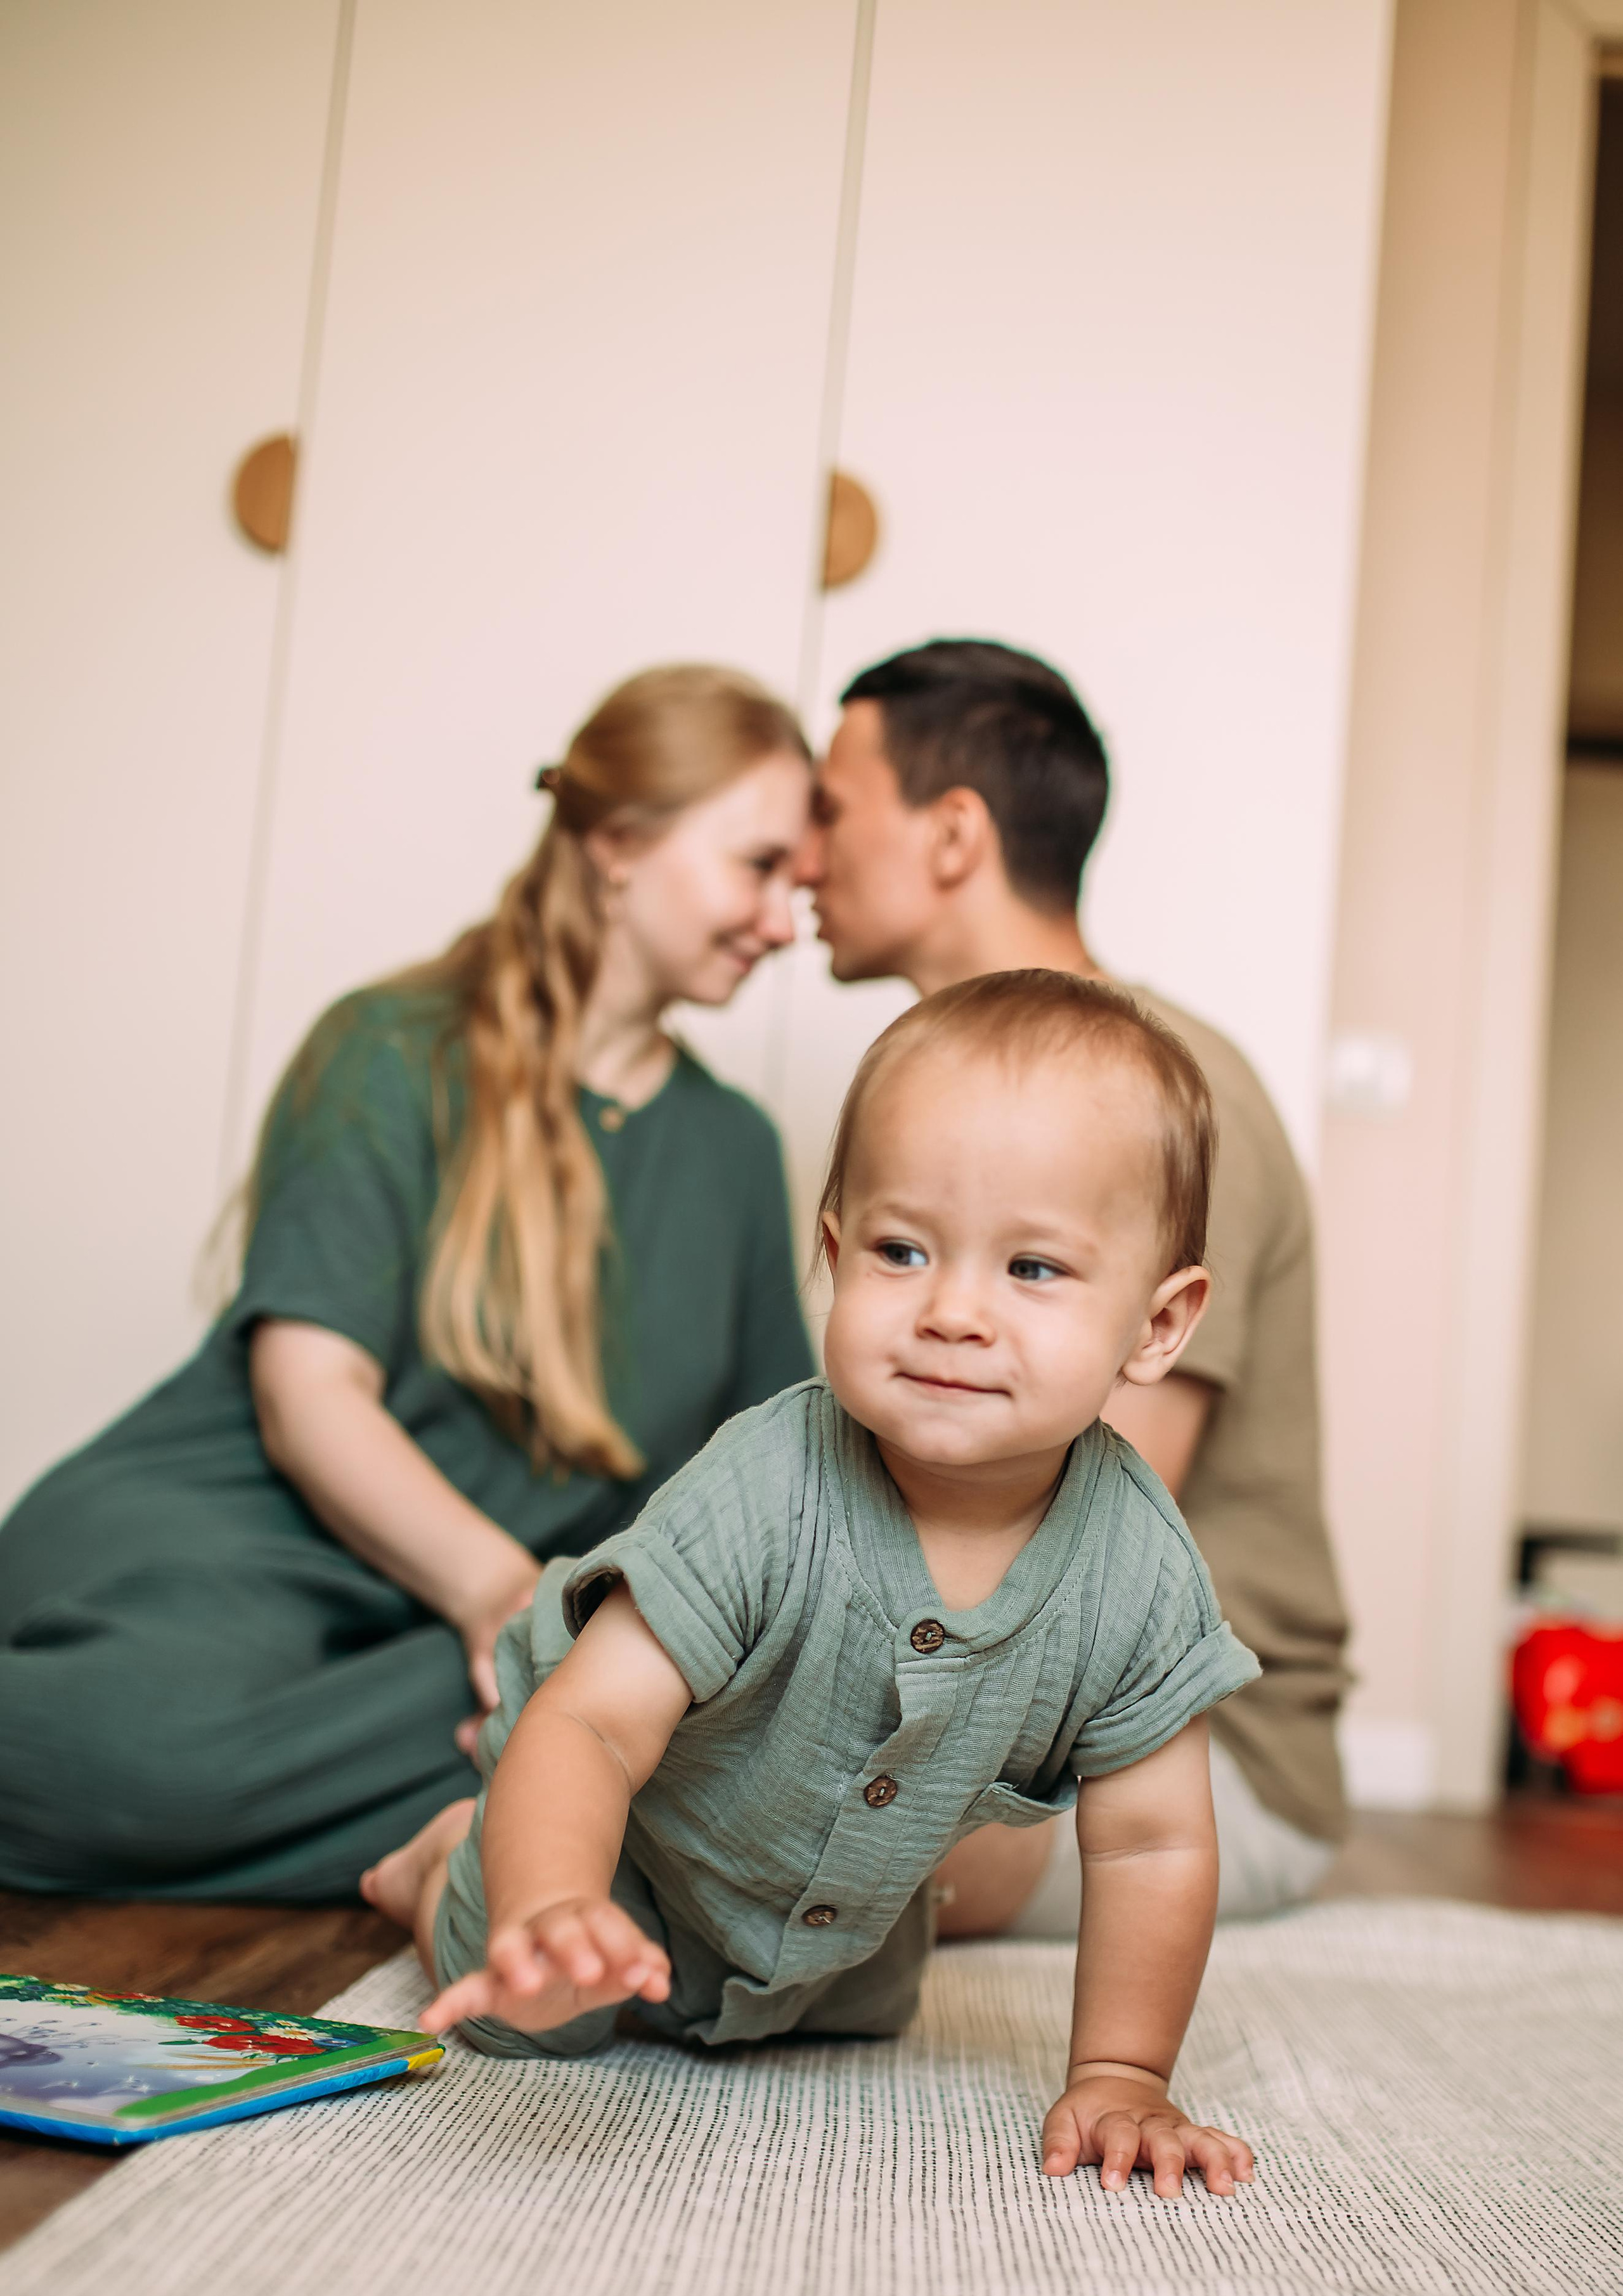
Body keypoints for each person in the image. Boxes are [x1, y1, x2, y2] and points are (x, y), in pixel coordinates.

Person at [366, 974, 1260, 2200]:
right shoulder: (771, 1482)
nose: (953, 1311)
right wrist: (552, 1894)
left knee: (855, 2017)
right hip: (623, 1840)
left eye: (1035, 1269)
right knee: (529, 2013)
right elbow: (591, 1721)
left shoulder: (1139, 1571)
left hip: (838, 1920)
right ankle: (446, 1863)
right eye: (903, 1250)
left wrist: (1120, 2068)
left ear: (1157, 1326)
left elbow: (1155, 1841)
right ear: (834, 1257)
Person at [0, 665, 815, 1902]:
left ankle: (500, 1818)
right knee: (145, 1756)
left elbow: (774, 1476)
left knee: (664, 1746)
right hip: (241, 1551)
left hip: (451, 1640)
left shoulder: (733, 1149)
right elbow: (307, 1391)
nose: (782, 920)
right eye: (758, 867)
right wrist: (501, 1596)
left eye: (798, 886)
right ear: (616, 844)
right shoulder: (387, 1050)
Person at [800, 638, 1352, 1933]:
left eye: (830, 808)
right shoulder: (939, 1121)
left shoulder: (1165, 1101)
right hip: (991, 1697)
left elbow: (1059, 1537)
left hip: (1198, 1759)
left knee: (783, 1844)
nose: (801, 854)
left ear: (950, 835)